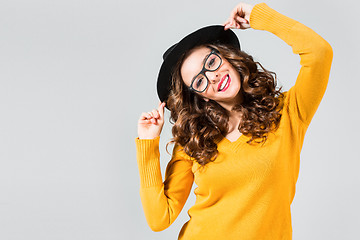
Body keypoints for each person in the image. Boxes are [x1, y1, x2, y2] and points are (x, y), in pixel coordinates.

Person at [136, 2, 333, 239]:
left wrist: (261, 18)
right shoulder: (194, 141)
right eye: (199, 81)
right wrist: (148, 145)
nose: (213, 76)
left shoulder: (288, 113)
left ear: (227, 57)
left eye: (211, 62)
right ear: (200, 97)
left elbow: (319, 52)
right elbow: (160, 218)